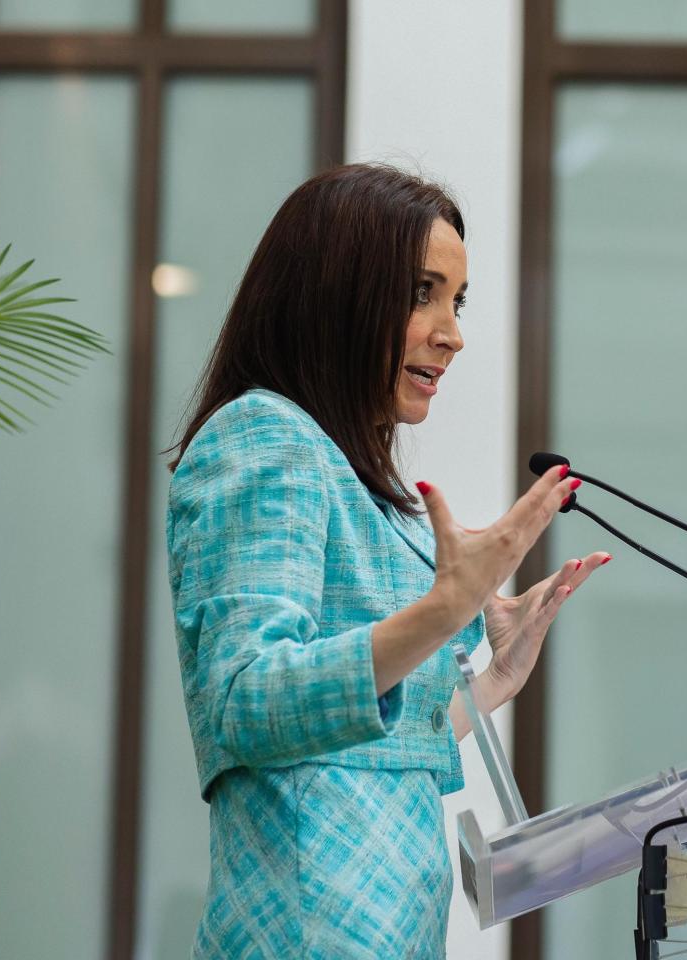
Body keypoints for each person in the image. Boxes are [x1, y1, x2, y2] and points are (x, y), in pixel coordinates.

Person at [164, 163, 602, 957]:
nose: (452, 332)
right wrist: (441, 613)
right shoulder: (263, 435)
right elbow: (244, 699)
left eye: (456, 301)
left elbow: (368, 746)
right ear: (338, 296)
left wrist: (491, 679)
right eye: (421, 293)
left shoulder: (356, 473)